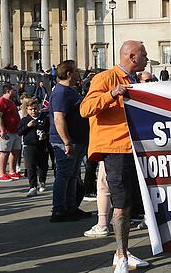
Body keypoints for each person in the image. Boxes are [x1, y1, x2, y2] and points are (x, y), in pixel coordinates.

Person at [81, 41, 150, 273]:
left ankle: (124, 252)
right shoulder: (106, 78)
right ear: (132, 56)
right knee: (121, 204)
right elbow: (85, 108)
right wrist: (111, 94)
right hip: (116, 148)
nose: (147, 59)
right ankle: (120, 255)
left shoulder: (133, 80)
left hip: (132, 147)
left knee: (129, 203)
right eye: (144, 55)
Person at [49, 60, 91, 222]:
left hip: (76, 139)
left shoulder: (69, 91)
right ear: (68, 73)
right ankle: (59, 209)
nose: (78, 73)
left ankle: (70, 206)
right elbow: (59, 119)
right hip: (66, 141)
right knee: (64, 175)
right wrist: (66, 142)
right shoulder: (61, 92)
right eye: (75, 70)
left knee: (73, 175)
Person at [18, 98, 49, 198]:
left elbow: (49, 129)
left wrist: (45, 135)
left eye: (35, 109)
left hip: (42, 145)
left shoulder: (44, 118)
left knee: (43, 165)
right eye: (31, 109)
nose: (33, 111)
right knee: (31, 166)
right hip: (29, 146)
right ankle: (32, 186)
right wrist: (27, 126)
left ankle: (42, 181)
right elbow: (19, 132)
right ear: (27, 110)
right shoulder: (25, 120)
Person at [0, 84, 22, 182]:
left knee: (15, 151)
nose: (16, 92)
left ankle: (12, 171)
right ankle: (2, 174)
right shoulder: (0, 102)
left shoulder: (11, 102)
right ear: (8, 91)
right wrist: (2, 130)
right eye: (14, 90)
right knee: (4, 152)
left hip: (14, 131)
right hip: (4, 131)